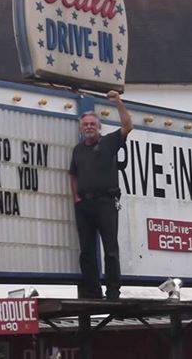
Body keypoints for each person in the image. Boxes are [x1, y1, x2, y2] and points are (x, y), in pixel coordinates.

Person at [69, 90, 133, 300]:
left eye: (92, 124)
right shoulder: (78, 150)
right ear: (81, 128)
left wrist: (118, 103)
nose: (89, 127)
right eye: (85, 124)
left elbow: (127, 126)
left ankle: (113, 291)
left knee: (110, 249)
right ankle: (93, 291)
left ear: (98, 127)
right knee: (86, 251)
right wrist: (76, 198)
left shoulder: (108, 143)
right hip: (84, 205)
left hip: (106, 202)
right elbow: (73, 174)